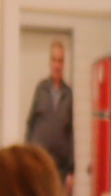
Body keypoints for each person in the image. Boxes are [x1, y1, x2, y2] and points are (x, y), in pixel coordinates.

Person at [24, 39, 77, 187]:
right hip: (38, 164)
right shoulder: (41, 89)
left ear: (64, 64)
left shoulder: (69, 94)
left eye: (60, 61)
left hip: (60, 169)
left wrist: (71, 171)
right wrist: (26, 159)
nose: (57, 65)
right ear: (50, 62)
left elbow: (70, 132)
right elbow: (30, 124)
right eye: (54, 60)